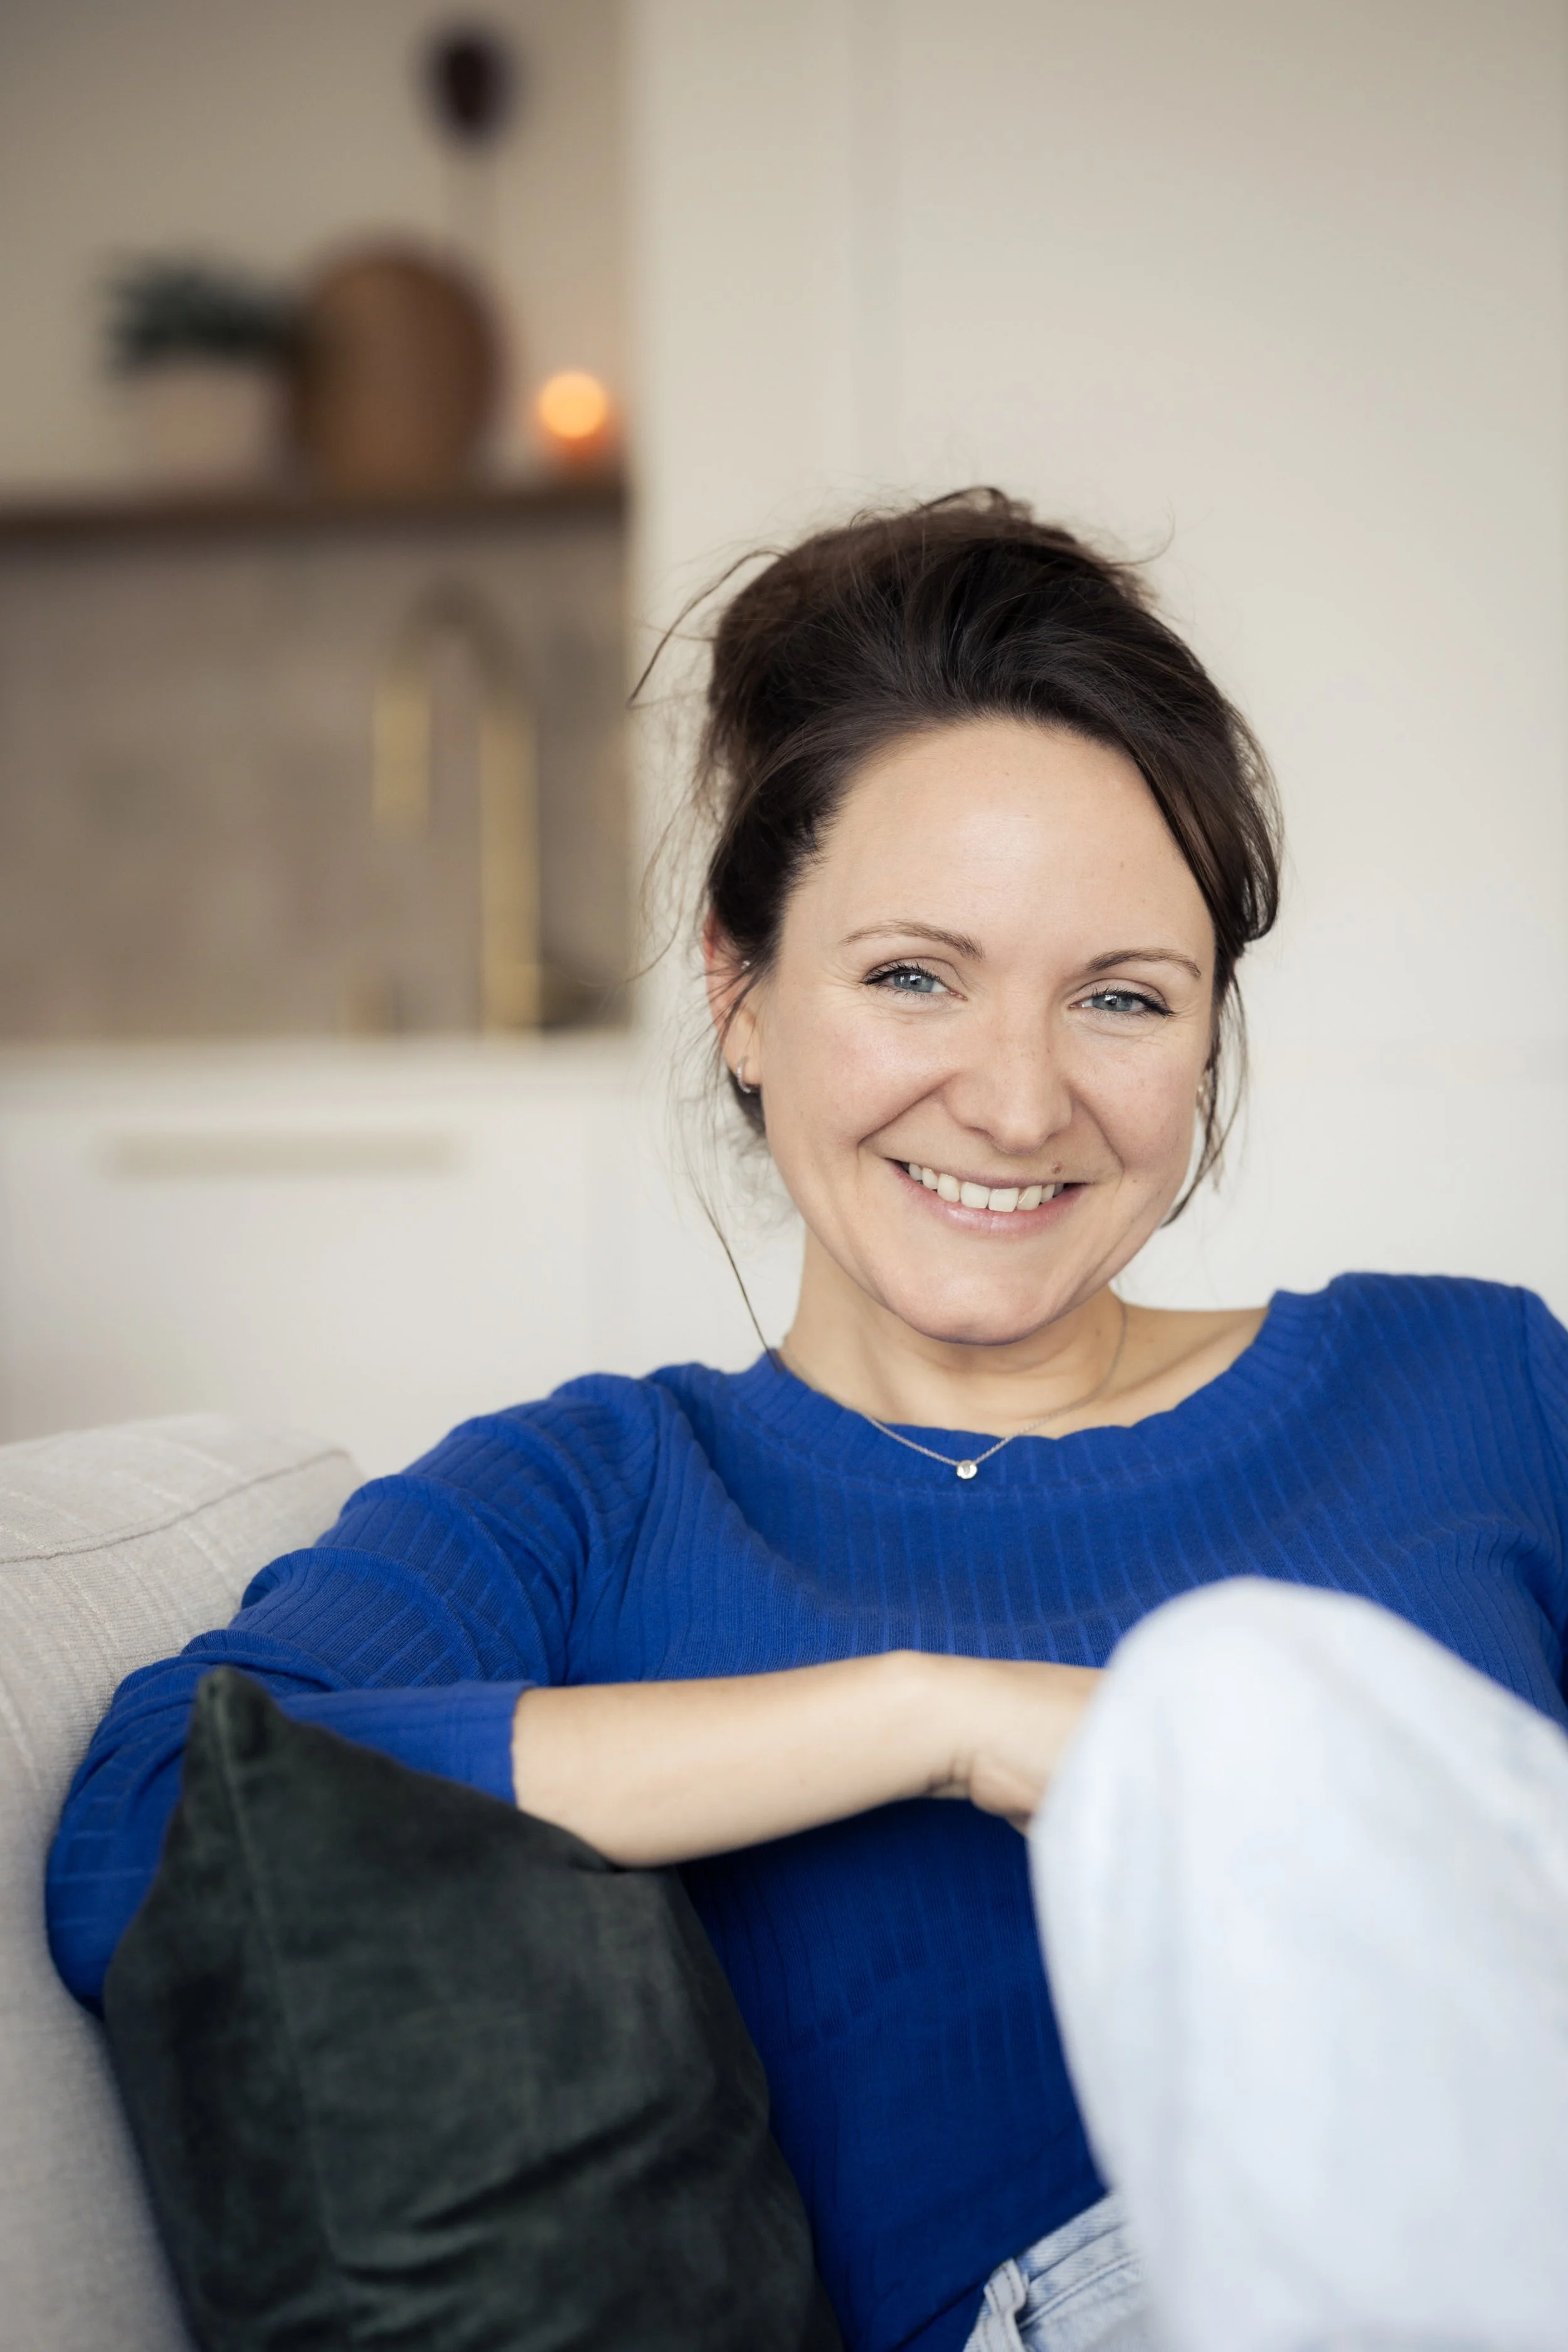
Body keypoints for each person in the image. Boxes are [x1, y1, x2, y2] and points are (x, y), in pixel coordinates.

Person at [47, 492, 1568, 2352]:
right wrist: (933, 1718)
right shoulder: (605, 1495)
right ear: (739, 986)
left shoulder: (1475, 1385)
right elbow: (156, 1830)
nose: (1016, 1102)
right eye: (911, 975)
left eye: (1120, 999)